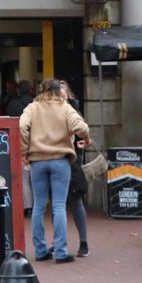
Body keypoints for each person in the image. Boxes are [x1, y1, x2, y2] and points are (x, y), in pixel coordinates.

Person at [19, 79, 90, 263]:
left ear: (40, 91)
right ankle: (60, 252)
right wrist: (86, 139)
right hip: (60, 160)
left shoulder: (32, 108)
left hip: (38, 161)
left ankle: (41, 250)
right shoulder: (64, 107)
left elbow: (21, 127)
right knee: (58, 206)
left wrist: (24, 151)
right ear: (59, 91)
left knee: (38, 206)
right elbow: (81, 127)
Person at [63, 82, 90, 258]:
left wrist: (83, 142)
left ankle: (83, 242)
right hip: (57, 159)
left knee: (76, 200)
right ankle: (59, 243)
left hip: (71, 161)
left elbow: (83, 132)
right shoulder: (50, 111)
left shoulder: (73, 111)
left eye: (63, 93)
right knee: (59, 204)